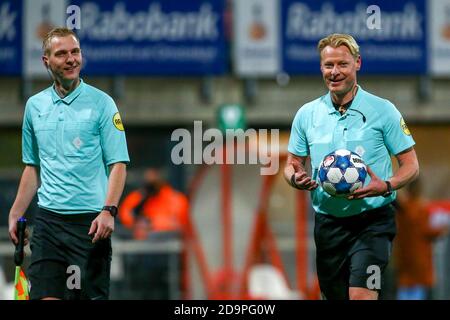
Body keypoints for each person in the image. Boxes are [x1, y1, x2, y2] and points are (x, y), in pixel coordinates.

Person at [284, 34, 419, 300]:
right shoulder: (307, 115)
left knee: (361, 295)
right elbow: (292, 164)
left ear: (358, 63)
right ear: (321, 67)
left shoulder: (384, 110)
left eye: (342, 64)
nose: (335, 72)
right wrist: (294, 177)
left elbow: (411, 165)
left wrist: (387, 185)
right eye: (328, 65)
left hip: (374, 223)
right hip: (328, 224)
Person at [8, 27, 130, 300]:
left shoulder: (103, 104)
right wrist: (16, 213)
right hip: (48, 223)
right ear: (46, 61)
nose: (71, 59)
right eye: (62, 54)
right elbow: (33, 166)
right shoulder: (34, 106)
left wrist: (109, 210)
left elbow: (119, 164)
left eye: (75, 52)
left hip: (89, 226)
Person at [118, 168, 189, 299]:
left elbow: (178, 223)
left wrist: (152, 225)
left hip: (168, 255)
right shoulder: (139, 197)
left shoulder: (174, 198)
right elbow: (126, 216)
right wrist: (143, 200)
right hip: (143, 256)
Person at [394, 179, 448, 300]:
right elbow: (427, 231)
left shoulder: (403, 209)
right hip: (420, 258)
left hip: (404, 256)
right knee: (417, 290)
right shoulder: (421, 209)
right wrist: (441, 230)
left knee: (404, 287)